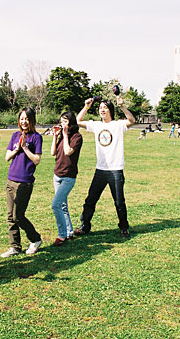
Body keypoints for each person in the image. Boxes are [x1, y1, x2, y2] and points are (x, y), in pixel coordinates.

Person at [74, 96, 135, 238]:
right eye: (100, 108)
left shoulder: (118, 125)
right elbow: (78, 121)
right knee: (90, 200)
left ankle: (124, 227)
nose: (102, 110)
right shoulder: (96, 125)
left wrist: (122, 106)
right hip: (100, 170)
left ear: (110, 110)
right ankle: (85, 226)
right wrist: (86, 107)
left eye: (105, 108)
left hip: (115, 170)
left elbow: (132, 120)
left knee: (119, 202)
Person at [1, 108, 43, 257]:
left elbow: (37, 160)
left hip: (24, 182)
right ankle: (15, 246)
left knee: (18, 216)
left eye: (27, 119)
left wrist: (25, 147)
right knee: (10, 216)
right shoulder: (15, 135)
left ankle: (35, 239)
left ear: (32, 120)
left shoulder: (36, 137)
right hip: (11, 179)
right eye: (22, 118)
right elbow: (7, 157)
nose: (24, 122)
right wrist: (17, 148)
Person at [49, 111, 83, 246]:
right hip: (57, 175)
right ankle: (68, 232)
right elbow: (52, 152)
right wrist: (55, 136)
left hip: (68, 177)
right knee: (62, 205)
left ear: (71, 122)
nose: (62, 124)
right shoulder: (62, 137)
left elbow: (68, 151)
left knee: (55, 204)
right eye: (61, 121)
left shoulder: (76, 137)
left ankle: (62, 235)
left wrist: (65, 135)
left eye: (65, 121)